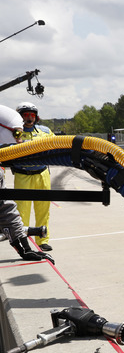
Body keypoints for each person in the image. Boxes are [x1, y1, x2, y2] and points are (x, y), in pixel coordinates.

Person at [0, 105, 54, 264]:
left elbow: (5, 210)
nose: (19, 140)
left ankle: (40, 241)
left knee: (42, 209)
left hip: (41, 174)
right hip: (23, 175)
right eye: (17, 133)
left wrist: (25, 249)